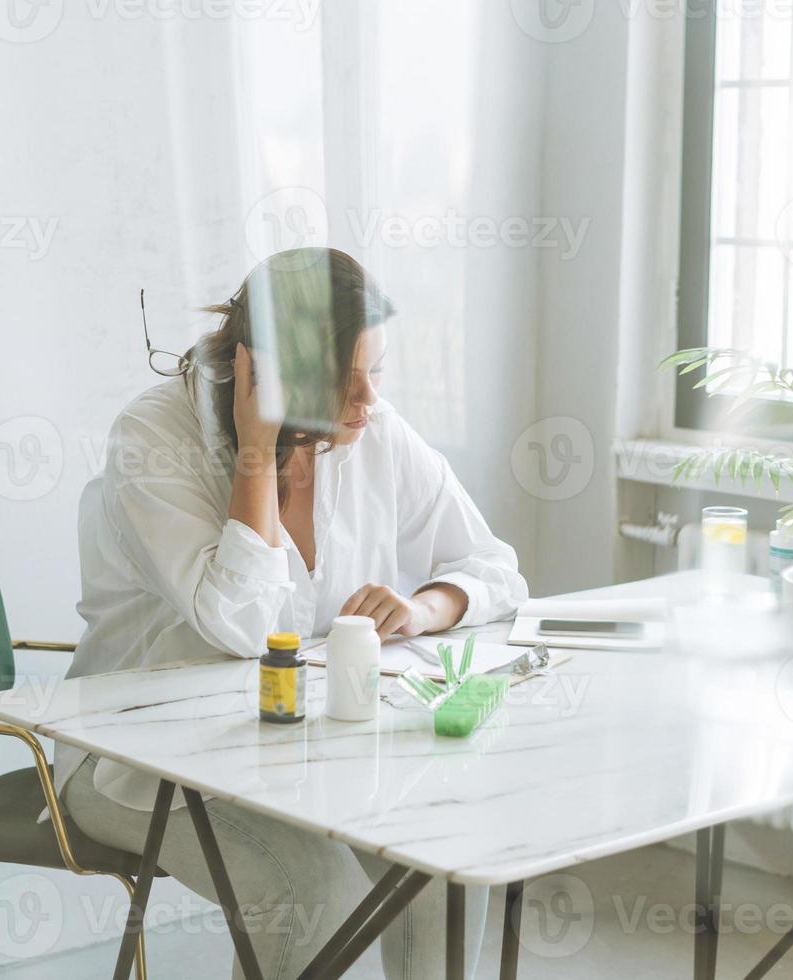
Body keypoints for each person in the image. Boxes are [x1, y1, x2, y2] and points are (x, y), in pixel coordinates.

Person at [60, 247, 529, 978]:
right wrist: (256, 450)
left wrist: (422, 608)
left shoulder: (374, 434)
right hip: (137, 763)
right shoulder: (152, 443)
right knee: (317, 891)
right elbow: (241, 629)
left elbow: (495, 568)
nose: (368, 401)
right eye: (346, 382)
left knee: (443, 856)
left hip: (302, 750)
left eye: (377, 372)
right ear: (270, 373)